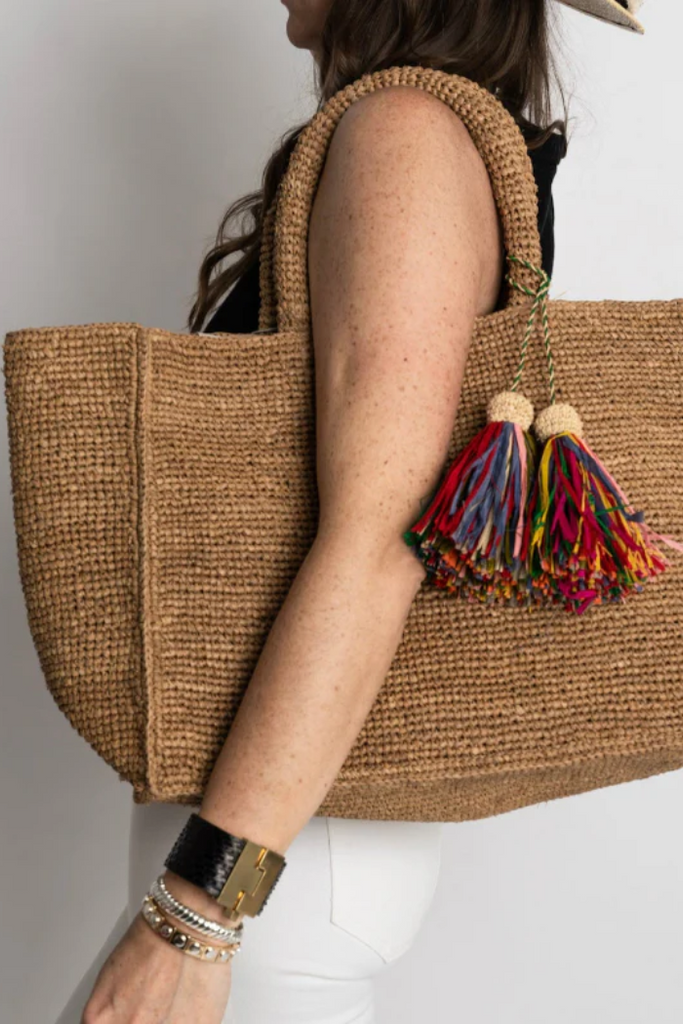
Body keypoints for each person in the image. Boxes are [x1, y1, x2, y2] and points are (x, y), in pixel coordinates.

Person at [53, 0, 634, 1019]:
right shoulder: (415, 131)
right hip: (275, 847)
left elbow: (382, 538)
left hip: (274, 871)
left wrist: (198, 918)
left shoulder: (405, 134)